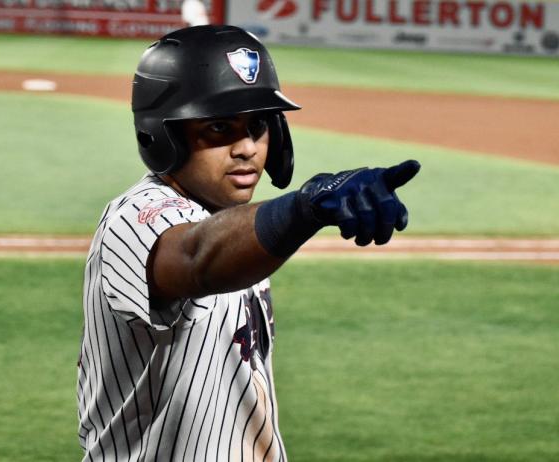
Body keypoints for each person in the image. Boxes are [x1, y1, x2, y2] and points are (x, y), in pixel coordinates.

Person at [76, 25, 420, 461]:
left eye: (257, 125)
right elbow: (195, 257)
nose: (247, 148)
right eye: (219, 128)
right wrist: (304, 208)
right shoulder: (134, 217)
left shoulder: (236, 226)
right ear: (164, 136)